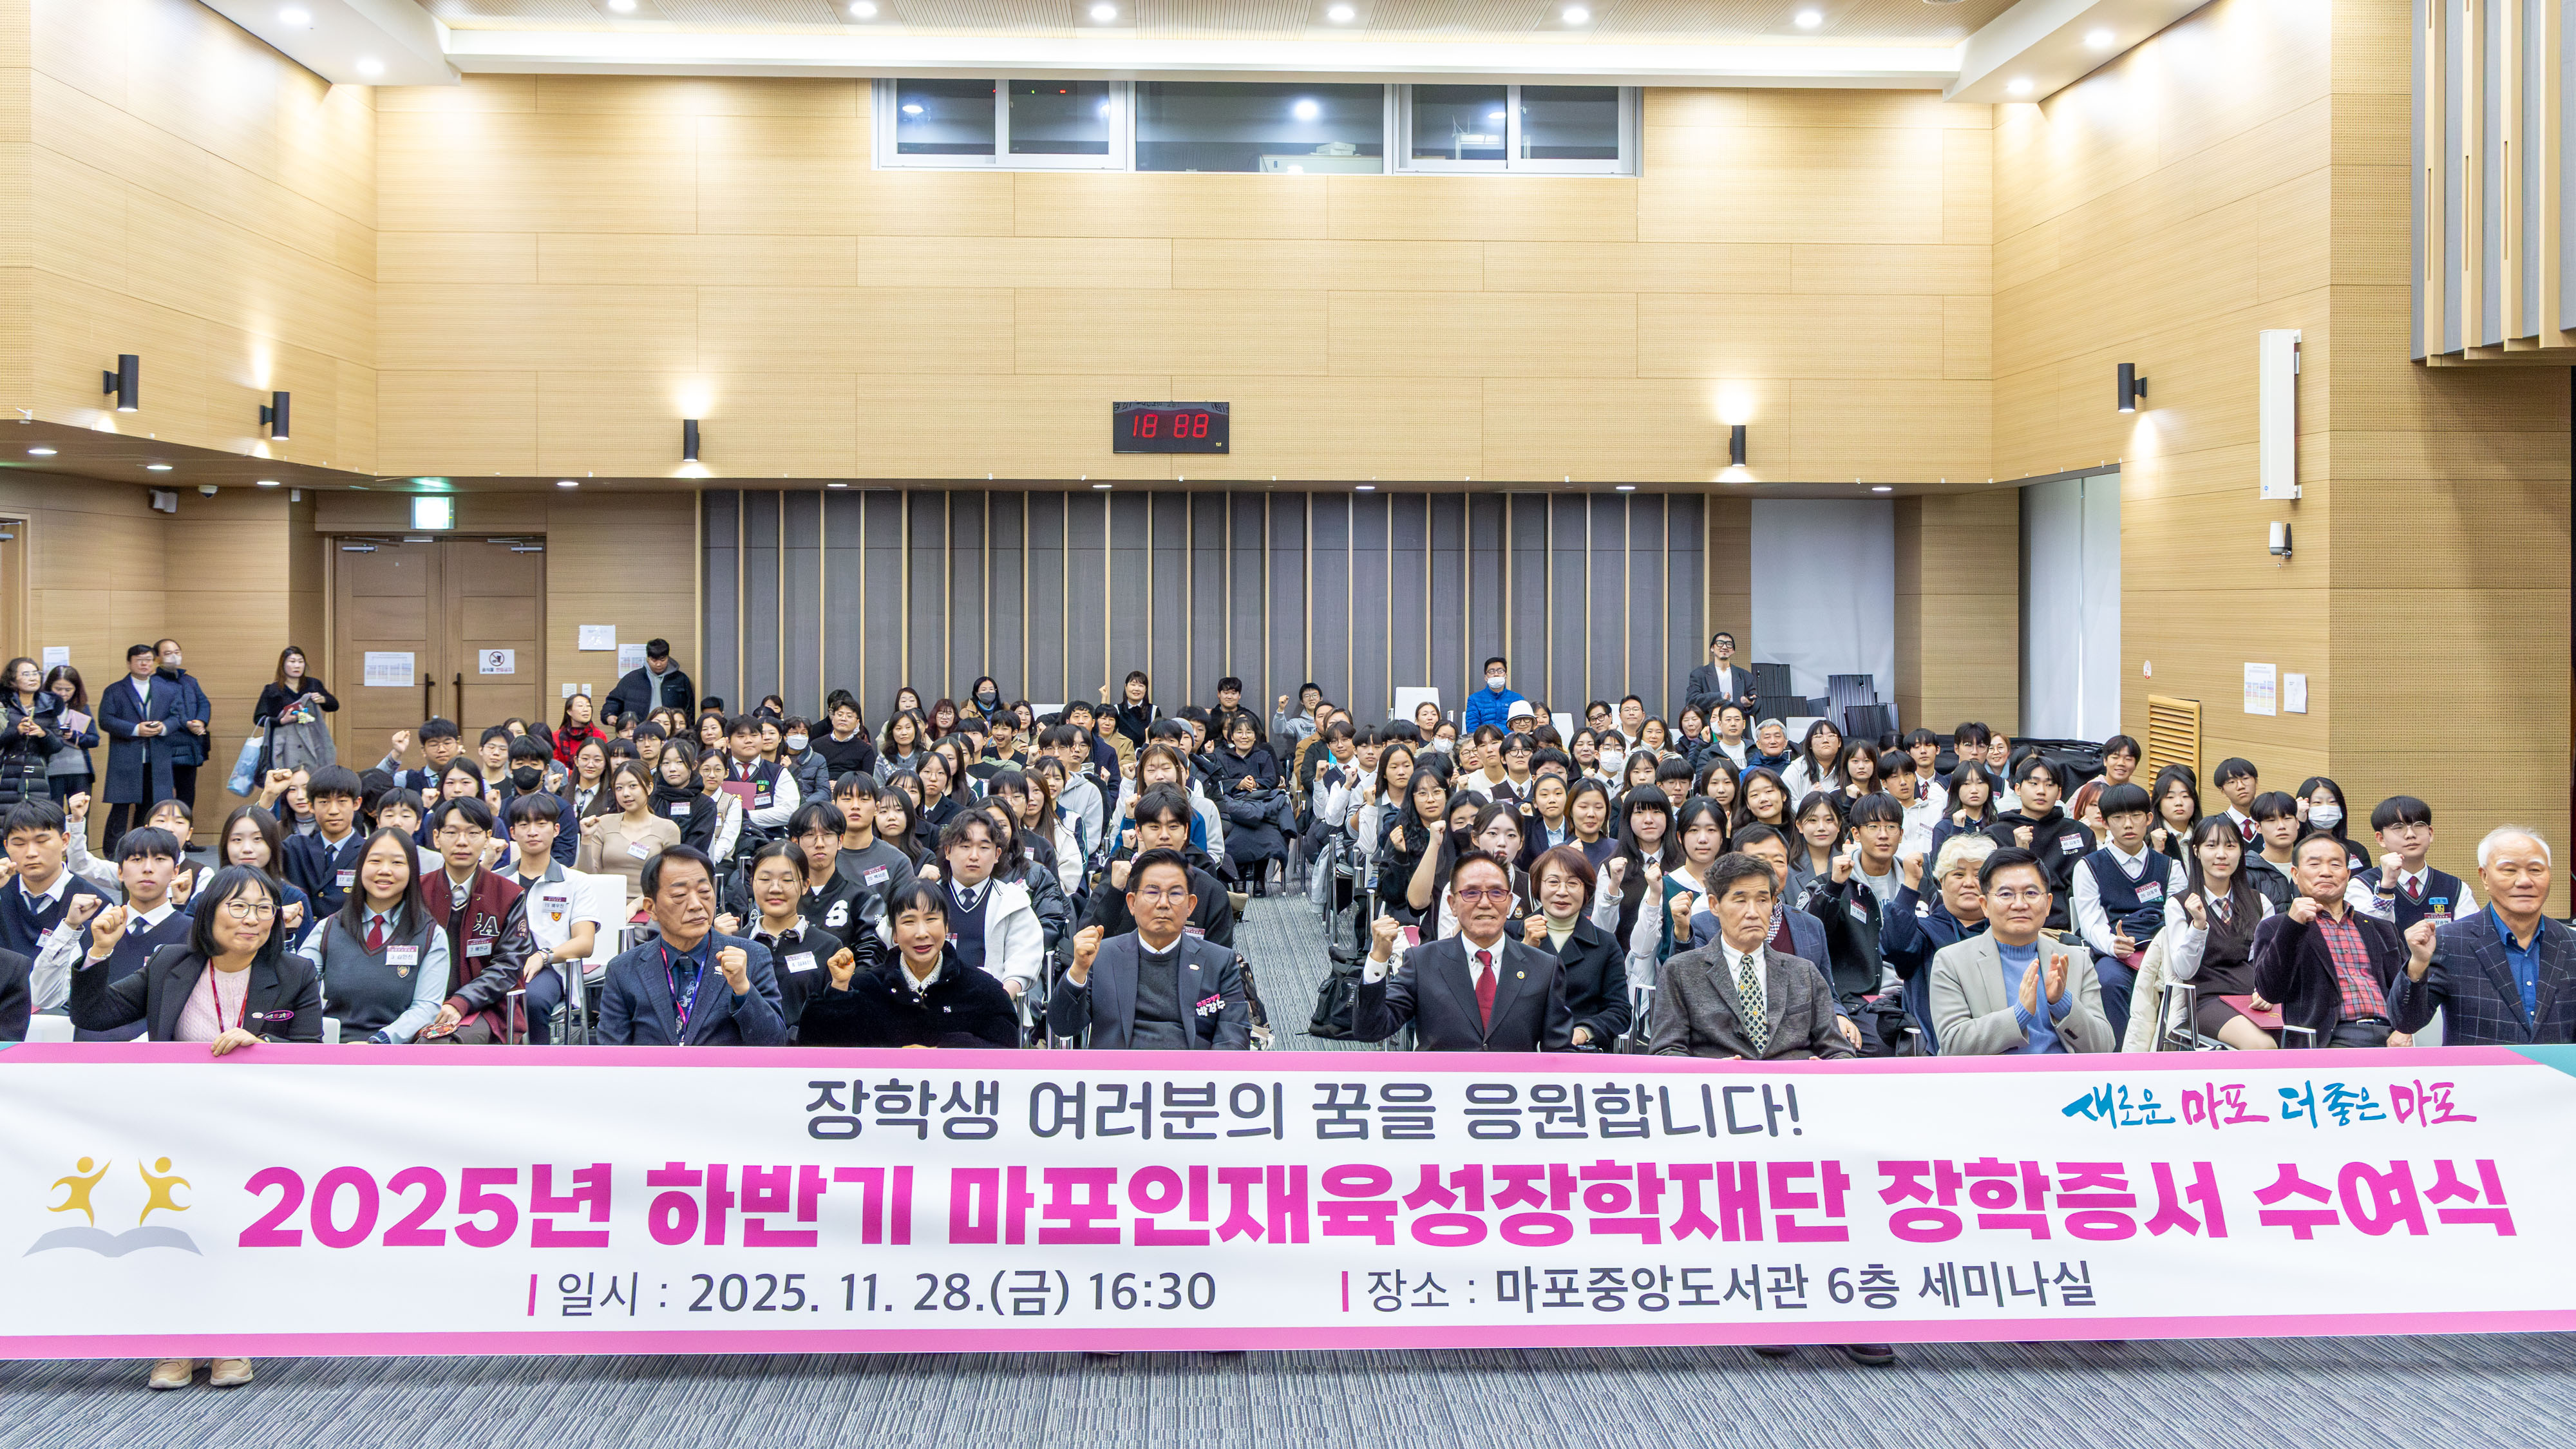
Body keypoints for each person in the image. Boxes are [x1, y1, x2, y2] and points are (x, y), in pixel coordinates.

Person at [68, 862, 319, 1392]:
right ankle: (176, 1341)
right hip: (176, 1127)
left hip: (256, 1130)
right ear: (209, 913)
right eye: (239, 906)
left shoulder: (296, 972)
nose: (252, 919)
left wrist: (264, 1046)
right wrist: (99, 953)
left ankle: (230, 1339)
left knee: (234, 1232)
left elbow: (312, 1054)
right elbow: (93, 1015)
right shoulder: (170, 963)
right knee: (173, 1233)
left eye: (264, 909)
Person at [1354, 849, 1574, 1051]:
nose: (1485, 903)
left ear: (1509, 903)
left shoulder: (1544, 967)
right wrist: (1378, 958)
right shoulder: (1423, 962)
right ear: (1452, 904)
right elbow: (1371, 1029)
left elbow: (1559, 1052)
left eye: (1496, 893)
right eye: (1471, 893)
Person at [1653, 849, 1855, 1063]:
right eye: (1740, 901)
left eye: (1762, 900)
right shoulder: (1681, 971)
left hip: (1793, 1081)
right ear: (1714, 905)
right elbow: (1666, 1051)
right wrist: (1710, 1071)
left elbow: (1838, 1051)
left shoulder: (1805, 973)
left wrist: (1823, 1071)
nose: (1753, 912)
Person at [2389, 827, 2575, 1045]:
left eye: (2536, 870)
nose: (2525, 881)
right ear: (2484, 877)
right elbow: (2406, 1022)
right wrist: (2418, 964)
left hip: (2558, 1068)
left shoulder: (2571, 944)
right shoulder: (2449, 941)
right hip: (2478, 1068)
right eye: (2510, 870)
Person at [1050, 849, 1250, 1049]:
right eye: (1152, 893)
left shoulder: (1219, 962)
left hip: (1192, 1069)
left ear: (1191, 905)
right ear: (1132, 903)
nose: (1163, 904)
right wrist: (1078, 970)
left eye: (1175, 893)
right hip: (1118, 1068)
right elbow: (1063, 1026)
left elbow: (1233, 1040)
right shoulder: (1102, 956)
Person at [1927, 848, 2113, 1055]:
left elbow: (2104, 1046)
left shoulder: (2076, 960)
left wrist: (2062, 1003)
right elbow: (1953, 1044)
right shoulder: (1952, 961)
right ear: (1985, 905)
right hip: (1994, 1075)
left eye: (2031, 893)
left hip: (2061, 1074)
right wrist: (2019, 1015)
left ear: (2048, 904)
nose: (2019, 904)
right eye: (2006, 894)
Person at [596, 846, 785, 1046]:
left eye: (704, 892)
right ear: (651, 908)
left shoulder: (752, 956)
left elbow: (775, 1044)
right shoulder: (624, 970)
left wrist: (742, 988)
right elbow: (611, 1055)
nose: (696, 905)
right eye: (679, 895)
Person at [797, 880, 1017, 1048]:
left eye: (931, 920)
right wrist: (839, 988)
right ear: (894, 932)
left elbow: (1007, 1051)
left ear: (946, 927)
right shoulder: (866, 987)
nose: (921, 933)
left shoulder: (982, 990)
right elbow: (816, 1045)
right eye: (909, 922)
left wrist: (943, 1052)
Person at [25, 826, 194, 1039]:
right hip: (89, 1054)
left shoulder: (194, 934)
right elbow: (42, 997)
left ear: (176, 871)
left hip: (156, 1055)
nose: (148, 868)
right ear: (120, 872)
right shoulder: (91, 931)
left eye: (160, 859)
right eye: (137, 859)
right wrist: (69, 927)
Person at [2249, 833, 2409, 1048]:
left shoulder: (2382, 928)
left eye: (2335, 865)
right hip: (2327, 1040)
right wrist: (2292, 926)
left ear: (2348, 874)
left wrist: (2404, 1030)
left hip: (2390, 1036)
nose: (2326, 872)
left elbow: (2404, 990)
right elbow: (2270, 991)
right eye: (2314, 864)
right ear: (2295, 874)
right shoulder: (2276, 927)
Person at [303, 826, 450, 1045]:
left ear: (413, 871)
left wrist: (379, 1041)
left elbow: (426, 1007)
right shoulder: (328, 928)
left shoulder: (431, 935)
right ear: (360, 866)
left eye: (397, 863)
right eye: (375, 861)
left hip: (396, 1052)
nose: (385, 870)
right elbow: (299, 988)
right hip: (332, 1049)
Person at [2069, 782, 2188, 1043]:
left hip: (2161, 950)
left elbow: (2178, 918)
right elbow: (2090, 922)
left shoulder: (2171, 867)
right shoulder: (2089, 867)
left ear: (2149, 819)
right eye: (2118, 818)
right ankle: (2121, 1054)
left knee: (2185, 979)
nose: (2128, 824)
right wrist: (2113, 944)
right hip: (2115, 953)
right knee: (2110, 980)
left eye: (2135, 816)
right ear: (2105, 823)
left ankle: (2168, 1051)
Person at [413, 798, 535, 1045]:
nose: (462, 841)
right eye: (452, 832)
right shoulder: (416, 891)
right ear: (436, 837)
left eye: (472, 833)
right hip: (420, 1003)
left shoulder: (508, 895)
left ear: (487, 838)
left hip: (487, 1008)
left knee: (438, 1045)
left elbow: (508, 965)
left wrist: (461, 1002)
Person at [500, 793, 613, 1045]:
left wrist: (543, 956)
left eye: (541, 824)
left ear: (556, 830)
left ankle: (538, 1062)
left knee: (531, 1000)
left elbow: (584, 943)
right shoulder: (498, 880)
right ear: (513, 832)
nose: (532, 831)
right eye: (524, 825)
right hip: (501, 966)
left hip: (550, 968)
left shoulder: (575, 882)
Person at [2162, 816, 2275, 1050]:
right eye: (2212, 846)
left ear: (2241, 851)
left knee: (2297, 1038)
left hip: (2254, 998)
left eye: (2230, 846)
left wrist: (2265, 991)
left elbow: (2265, 963)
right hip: (2207, 1000)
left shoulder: (2260, 903)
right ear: (2196, 851)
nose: (2221, 855)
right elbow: (2184, 970)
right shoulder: (2179, 904)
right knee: (2262, 1046)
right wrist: (2198, 925)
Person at [914, 811, 1044, 1003]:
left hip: (991, 1003)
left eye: (984, 848)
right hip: (928, 1004)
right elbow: (891, 936)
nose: (974, 856)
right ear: (948, 851)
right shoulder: (928, 896)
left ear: (997, 854)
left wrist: (1000, 999)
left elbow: (1025, 958)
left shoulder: (1012, 900)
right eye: (965, 846)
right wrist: (915, 891)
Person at [1519, 845, 1628, 1050]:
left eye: (1573, 883)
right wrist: (1524, 950)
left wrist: (1585, 1031)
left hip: (1579, 1054)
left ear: (1587, 890)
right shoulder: (1510, 935)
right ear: (1537, 886)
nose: (1562, 892)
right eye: (1553, 882)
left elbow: (1619, 1010)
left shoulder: (1605, 944)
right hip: (1521, 1052)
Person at [1983, 754, 2092, 930]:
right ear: (2018, 789)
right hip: (2012, 925)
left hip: (2065, 928)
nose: (2041, 791)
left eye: (2049, 785)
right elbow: (1992, 888)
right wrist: (2020, 853)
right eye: (2034, 783)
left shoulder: (2079, 833)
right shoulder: (1996, 833)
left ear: (2060, 793)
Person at [98, 644, 191, 847]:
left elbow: (178, 717)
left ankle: (143, 847)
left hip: (158, 758)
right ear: (129, 663)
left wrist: (164, 727)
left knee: (152, 808)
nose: (144, 664)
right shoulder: (115, 690)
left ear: (154, 662)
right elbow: (106, 720)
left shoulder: (169, 689)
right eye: (139, 660)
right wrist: (135, 729)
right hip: (126, 757)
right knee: (121, 809)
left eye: (148, 660)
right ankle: (112, 853)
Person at [0, 798, 117, 960]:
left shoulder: (95, 906)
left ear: (65, 841)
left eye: (42, 841)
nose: (31, 853)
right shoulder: (3, 890)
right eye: (19, 844)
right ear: (6, 846)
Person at [2348, 795, 2474, 925]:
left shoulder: (2455, 887)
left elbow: (2470, 933)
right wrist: (2386, 889)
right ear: (2381, 839)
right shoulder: (2362, 885)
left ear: (2430, 833)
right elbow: (2364, 932)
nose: (2410, 835)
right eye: (2398, 827)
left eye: (2418, 825)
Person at [577, 759, 681, 905]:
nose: (625, 794)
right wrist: (586, 839)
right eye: (619, 788)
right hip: (604, 904)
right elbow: (587, 875)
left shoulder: (667, 829)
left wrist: (636, 906)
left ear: (649, 788)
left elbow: (670, 881)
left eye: (633, 786)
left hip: (649, 907)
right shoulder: (604, 823)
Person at [279, 766, 370, 917]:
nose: (333, 810)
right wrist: (269, 796)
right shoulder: (295, 847)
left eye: (342, 801)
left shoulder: (369, 852)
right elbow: (256, 853)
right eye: (324, 802)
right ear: (311, 806)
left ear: (356, 803)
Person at [829, 773, 918, 911]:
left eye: (864, 799)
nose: (855, 806)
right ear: (834, 806)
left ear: (877, 808)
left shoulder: (897, 861)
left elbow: (905, 913)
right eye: (847, 799)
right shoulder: (822, 856)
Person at [252, 646, 338, 779]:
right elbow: (258, 719)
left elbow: (334, 706)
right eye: (292, 661)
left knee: (314, 778)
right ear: (283, 665)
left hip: (311, 741)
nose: (297, 665)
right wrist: (281, 721)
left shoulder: (313, 684)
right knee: (287, 780)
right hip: (286, 745)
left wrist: (323, 699)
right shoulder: (273, 690)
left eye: (300, 661)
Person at [0, 656, 64, 808]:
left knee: (36, 816)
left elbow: (57, 746)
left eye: (36, 673)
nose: (33, 678)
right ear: (12, 680)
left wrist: (43, 734)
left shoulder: (48, 706)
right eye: (26, 674)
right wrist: (16, 732)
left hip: (38, 772)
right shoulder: (4, 706)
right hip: (7, 772)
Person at [603, 638, 694, 726]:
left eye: (663, 659)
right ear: (648, 658)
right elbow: (614, 701)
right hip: (638, 730)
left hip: (672, 731)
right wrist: (609, 715)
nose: (658, 664)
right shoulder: (631, 679)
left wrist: (687, 729)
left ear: (668, 657)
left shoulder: (680, 679)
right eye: (654, 660)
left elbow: (690, 709)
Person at [42, 665, 98, 808]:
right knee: (54, 816)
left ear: (76, 689)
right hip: (52, 771)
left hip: (80, 771)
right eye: (58, 689)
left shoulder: (82, 707)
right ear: (49, 687)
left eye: (68, 690)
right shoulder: (42, 708)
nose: (63, 694)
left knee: (80, 815)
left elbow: (94, 740)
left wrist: (74, 736)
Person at [1684, 630, 1756, 716]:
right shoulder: (1699, 674)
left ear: (1733, 650)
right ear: (1712, 648)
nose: (1725, 647)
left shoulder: (1745, 675)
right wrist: (1720, 697)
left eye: (1729, 644)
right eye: (1720, 643)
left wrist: (1749, 702)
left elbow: (1757, 700)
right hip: (1711, 722)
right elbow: (1692, 700)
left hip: (1737, 722)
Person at [1461, 656, 1527, 734]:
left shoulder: (1517, 699)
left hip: (1511, 739)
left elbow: (1522, 726)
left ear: (1506, 675)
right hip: (1484, 739)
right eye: (1491, 671)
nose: (1496, 674)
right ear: (1486, 677)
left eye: (1500, 671)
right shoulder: (1474, 699)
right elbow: (1472, 728)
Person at [2211, 757, 2260, 840]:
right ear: (2223, 791)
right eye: (2232, 782)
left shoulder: (2271, 820)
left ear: (2256, 782)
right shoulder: (2216, 827)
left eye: (2245, 779)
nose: (2241, 786)